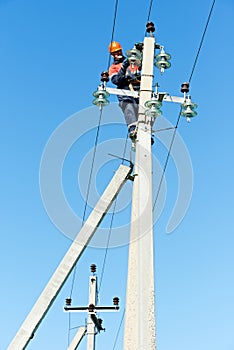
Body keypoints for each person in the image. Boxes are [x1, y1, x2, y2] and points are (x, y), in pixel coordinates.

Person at [108, 41, 141, 140]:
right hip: (124, 91)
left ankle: (146, 132)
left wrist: (141, 51)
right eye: (114, 53)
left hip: (138, 90)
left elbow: (142, 69)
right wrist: (123, 69)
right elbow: (116, 80)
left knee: (144, 111)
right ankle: (133, 129)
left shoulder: (133, 62)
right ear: (112, 55)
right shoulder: (113, 68)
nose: (117, 54)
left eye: (118, 51)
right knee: (129, 108)